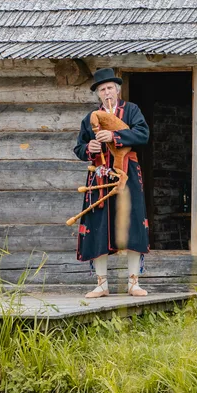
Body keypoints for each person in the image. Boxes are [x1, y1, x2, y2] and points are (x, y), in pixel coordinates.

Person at [74, 68, 150, 298]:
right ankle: (101, 284)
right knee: (98, 226)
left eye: (109, 88)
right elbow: (79, 147)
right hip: (99, 176)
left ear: (117, 91)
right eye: (102, 90)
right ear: (98, 94)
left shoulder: (132, 111)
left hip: (127, 175)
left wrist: (114, 137)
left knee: (132, 223)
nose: (106, 93)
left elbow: (143, 135)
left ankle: (133, 283)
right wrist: (89, 148)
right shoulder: (90, 118)